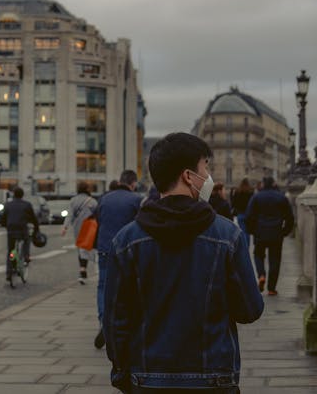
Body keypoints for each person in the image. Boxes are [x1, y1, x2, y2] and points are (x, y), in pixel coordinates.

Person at [103, 132, 263, 393]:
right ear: (189, 176)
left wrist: (123, 371)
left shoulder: (126, 240)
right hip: (213, 376)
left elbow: (115, 321)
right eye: (205, 168)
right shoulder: (228, 236)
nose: (208, 177)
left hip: (148, 376)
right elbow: (250, 309)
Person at [94, 169, 142, 349]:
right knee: (128, 286)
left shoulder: (104, 198)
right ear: (133, 183)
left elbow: (98, 219)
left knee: (102, 285)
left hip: (105, 247)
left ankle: (103, 320)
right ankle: (122, 322)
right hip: (126, 249)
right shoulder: (136, 200)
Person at [244, 176, 294, 296]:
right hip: (276, 232)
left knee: (258, 255)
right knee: (275, 259)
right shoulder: (281, 197)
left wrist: (252, 231)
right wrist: (285, 231)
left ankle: (261, 275)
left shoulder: (256, 197)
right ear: (273, 184)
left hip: (260, 231)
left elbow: (248, 216)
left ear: (263, 185)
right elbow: (290, 217)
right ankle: (271, 288)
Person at [61, 182, 98, 284]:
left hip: (77, 227)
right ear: (87, 189)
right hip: (89, 227)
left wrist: (65, 227)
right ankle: (85, 268)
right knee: (87, 247)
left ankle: (82, 269)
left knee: (80, 248)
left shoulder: (73, 200)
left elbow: (69, 215)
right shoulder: (93, 201)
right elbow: (98, 214)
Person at [1, 187, 39, 284]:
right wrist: (36, 229)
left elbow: (3, 219)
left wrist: (6, 226)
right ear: (22, 195)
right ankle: (26, 256)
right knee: (26, 240)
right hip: (22, 228)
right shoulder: (26, 205)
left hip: (11, 229)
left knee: (11, 250)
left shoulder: (8, 204)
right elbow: (34, 219)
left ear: (13, 195)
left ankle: (9, 273)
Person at [231, 178, 254, 245]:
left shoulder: (237, 191)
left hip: (240, 214)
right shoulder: (250, 192)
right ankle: (247, 245)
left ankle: (244, 245)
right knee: (247, 232)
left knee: (242, 231)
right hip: (248, 214)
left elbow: (234, 203)